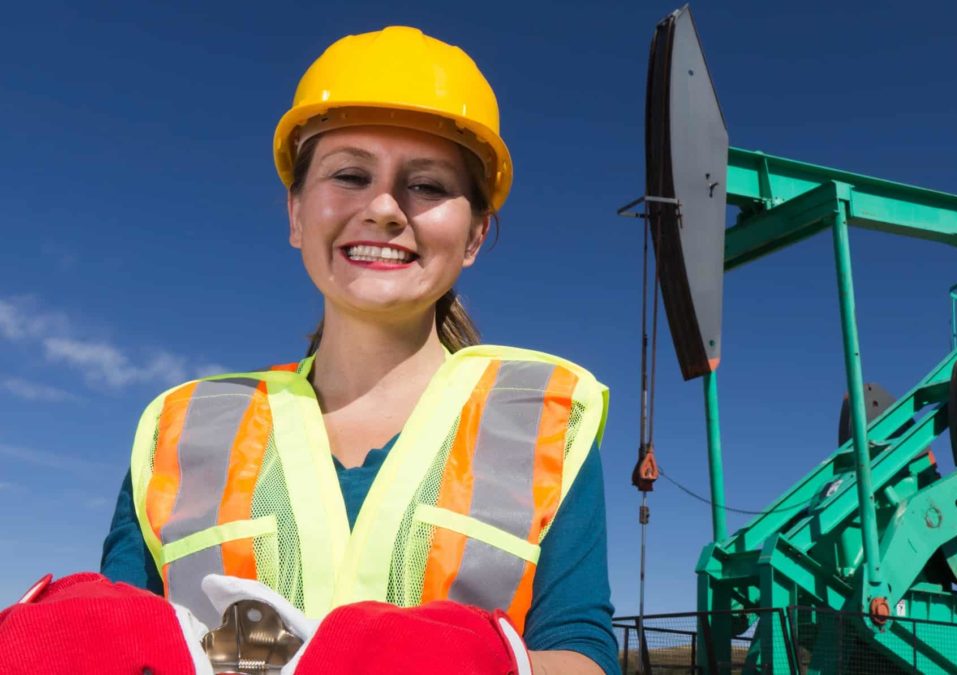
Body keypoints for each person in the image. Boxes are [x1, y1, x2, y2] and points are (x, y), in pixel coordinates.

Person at [0, 27, 618, 675]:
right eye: (350, 174)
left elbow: (583, 648)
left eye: (428, 185)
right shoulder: (181, 428)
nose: (383, 208)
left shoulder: (539, 418)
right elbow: (133, 630)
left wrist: (483, 664)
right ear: (297, 212)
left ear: (475, 235)